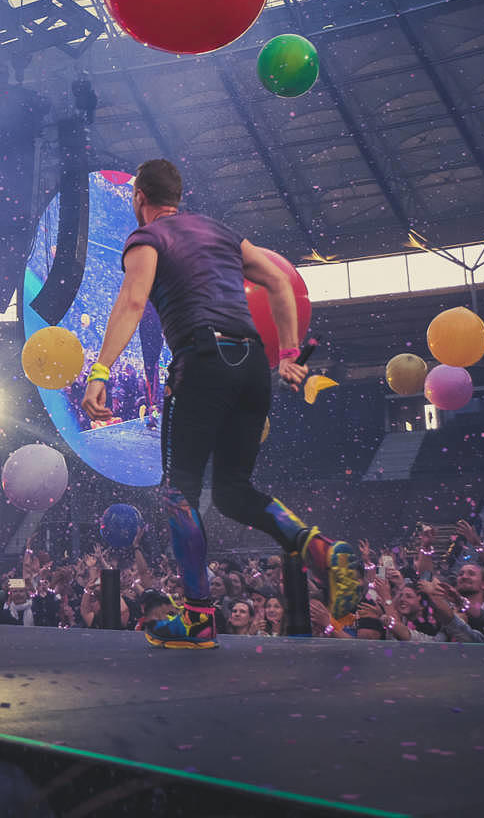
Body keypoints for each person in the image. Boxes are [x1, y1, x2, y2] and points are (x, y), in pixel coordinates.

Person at [83, 159, 364, 650]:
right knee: (233, 491)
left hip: (202, 361)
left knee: (178, 494)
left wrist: (101, 371)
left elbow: (131, 301)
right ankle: (321, 549)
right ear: (180, 194)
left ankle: (197, 620)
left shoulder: (147, 239)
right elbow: (278, 281)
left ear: (139, 199)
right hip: (252, 365)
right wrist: (292, 353)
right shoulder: (221, 232)